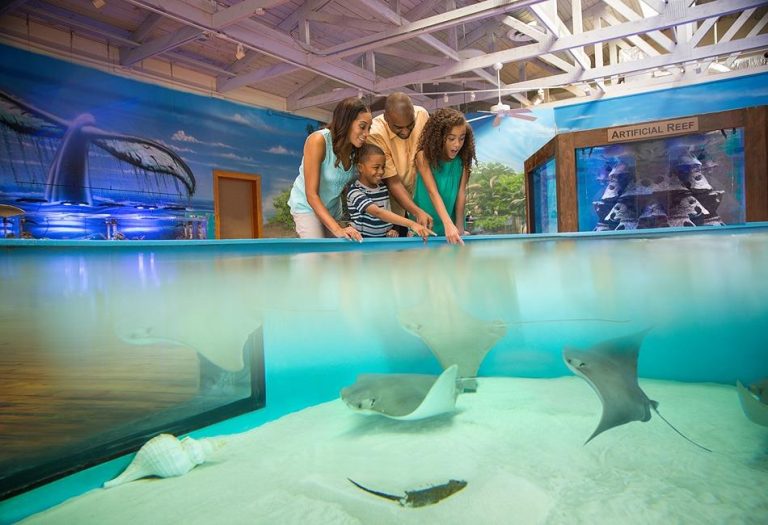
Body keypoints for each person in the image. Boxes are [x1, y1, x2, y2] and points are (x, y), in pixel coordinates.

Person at [288, 97, 372, 241]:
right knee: (316, 256)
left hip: (332, 211)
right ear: (346, 122)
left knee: (339, 256)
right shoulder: (318, 141)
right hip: (307, 208)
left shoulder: (356, 150)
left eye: (369, 128)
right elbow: (311, 194)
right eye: (362, 126)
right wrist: (337, 229)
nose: (367, 133)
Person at [366, 92, 432, 235]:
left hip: (418, 195)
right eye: (398, 127)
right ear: (386, 118)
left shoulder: (422, 115)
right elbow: (393, 182)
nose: (405, 131)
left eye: (410, 125)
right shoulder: (375, 133)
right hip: (391, 206)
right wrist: (417, 212)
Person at [411, 108, 477, 245]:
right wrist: (447, 224)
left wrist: (459, 227)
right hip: (425, 225)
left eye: (462, 138)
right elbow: (432, 192)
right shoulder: (422, 157)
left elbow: (461, 194)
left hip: (451, 227)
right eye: (451, 138)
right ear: (439, 137)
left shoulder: (463, 160)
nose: (457, 144)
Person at [346, 143, 435, 240]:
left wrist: (390, 230)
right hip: (363, 241)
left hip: (382, 242)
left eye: (383, 167)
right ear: (360, 168)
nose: (381, 172)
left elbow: (386, 213)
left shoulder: (382, 187)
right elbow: (377, 212)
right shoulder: (354, 192)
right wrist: (412, 224)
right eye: (376, 167)